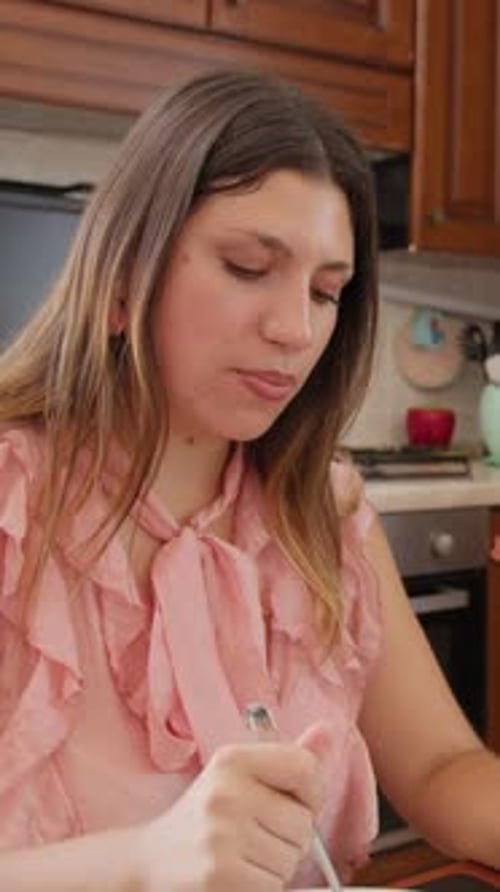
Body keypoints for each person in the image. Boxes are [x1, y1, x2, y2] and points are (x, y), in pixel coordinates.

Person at [0, 67, 498, 892]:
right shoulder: (15, 503)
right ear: (124, 280)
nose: (296, 329)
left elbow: (443, 767)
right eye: (245, 266)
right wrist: (138, 864)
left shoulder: (321, 508)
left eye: (326, 291)